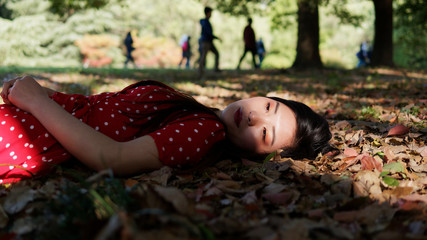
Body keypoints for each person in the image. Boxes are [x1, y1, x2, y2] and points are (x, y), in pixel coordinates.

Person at [0, 76, 333, 184]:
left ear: (260, 156)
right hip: (24, 124)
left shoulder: (203, 134)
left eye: (265, 134)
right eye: (269, 107)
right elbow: (97, 109)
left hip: (24, 142)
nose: (254, 118)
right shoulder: (200, 116)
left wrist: (36, 103)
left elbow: (111, 157)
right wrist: (38, 93)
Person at [199, 7, 221, 77]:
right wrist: (216, 37)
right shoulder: (205, 22)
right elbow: (208, 33)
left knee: (216, 53)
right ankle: (200, 70)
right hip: (206, 41)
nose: (211, 14)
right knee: (203, 56)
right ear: (208, 13)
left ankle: (216, 68)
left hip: (209, 41)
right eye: (210, 12)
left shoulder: (206, 22)